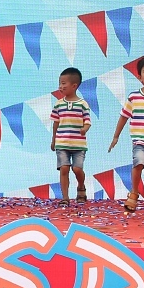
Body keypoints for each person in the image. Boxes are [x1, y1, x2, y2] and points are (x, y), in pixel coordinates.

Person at [110, 55, 144, 213]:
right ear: (139, 77)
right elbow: (124, 116)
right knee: (138, 163)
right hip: (139, 141)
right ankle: (134, 193)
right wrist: (116, 136)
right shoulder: (134, 97)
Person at [50, 67, 91, 204]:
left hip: (79, 144)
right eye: (60, 83)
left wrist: (84, 129)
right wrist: (53, 140)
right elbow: (56, 123)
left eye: (63, 83)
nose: (60, 86)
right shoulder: (58, 104)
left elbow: (87, 121)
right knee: (64, 168)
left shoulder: (82, 104)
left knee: (77, 169)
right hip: (62, 143)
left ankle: (81, 187)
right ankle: (65, 198)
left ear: (74, 86)